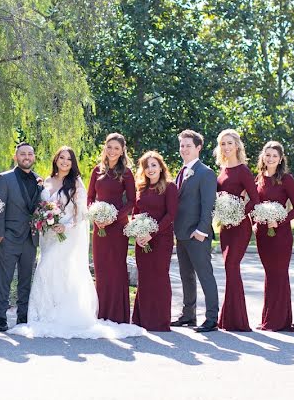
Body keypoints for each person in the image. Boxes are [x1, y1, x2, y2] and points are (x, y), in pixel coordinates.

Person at [9, 147, 143, 339]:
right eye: (61, 158)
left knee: (58, 269)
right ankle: (45, 313)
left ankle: (63, 314)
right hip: (49, 236)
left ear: (72, 164)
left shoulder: (76, 183)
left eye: (69, 159)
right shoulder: (45, 182)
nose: (64, 162)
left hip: (67, 235)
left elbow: (81, 214)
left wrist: (66, 227)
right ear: (56, 160)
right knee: (47, 270)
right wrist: (44, 220)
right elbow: (41, 208)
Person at [171, 129, 220, 333]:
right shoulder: (180, 172)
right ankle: (188, 315)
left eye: (188, 146)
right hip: (181, 233)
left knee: (204, 275)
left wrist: (201, 230)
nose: (184, 149)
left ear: (198, 148)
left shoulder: (206, 173)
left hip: (197, 234)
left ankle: (211, 318)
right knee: (186, 276)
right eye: (182, 146)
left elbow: (209, 204)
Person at [87, 133, 136, 323]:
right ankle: (101, 312)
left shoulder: (126, 173)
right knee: (101, 269)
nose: (112, 151)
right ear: (105, 148)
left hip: (117, 227)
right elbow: (90, 198)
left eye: (117, 148)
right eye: (109, 147)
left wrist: (113, 217)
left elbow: (132, 201)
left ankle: (118, 314)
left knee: (116, 268)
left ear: (122, 150)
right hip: (99, 227)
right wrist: (96, 216)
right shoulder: (96, 170)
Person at [0, 142, 42, 332]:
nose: (26, 157)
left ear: (34, 157)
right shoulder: (5, 179)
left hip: (31, 238)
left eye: (30, 153)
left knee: (25, 279)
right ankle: (1, 317)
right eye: (23, 154)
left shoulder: (39, 180)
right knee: (4, 278)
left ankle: (23, 316)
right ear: (16, 157)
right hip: (9, 236)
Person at [253, 141, 294, 332]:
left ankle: (280, 321)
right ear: (263, 157)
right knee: (269, 275)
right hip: (263, 234)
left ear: (280, 159)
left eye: (275, 156)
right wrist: (255, 220)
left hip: (280, 234)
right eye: (268, 155)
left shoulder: (286, 180)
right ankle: (268, 318)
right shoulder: (259, 178)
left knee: (279, 274)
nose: (270, 158)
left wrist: (280, 220)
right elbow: (254, 204)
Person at [214, 129, 259, 332]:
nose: (226, 147)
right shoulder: (222, 170)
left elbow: (255, 199)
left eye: (229, 143)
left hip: (240, 226)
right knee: (229, 269)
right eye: (223, 143)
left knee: (232, 266)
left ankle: (239, 321)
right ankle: (228, 318)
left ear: (237, 146)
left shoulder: (243, 170)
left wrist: (240, 212)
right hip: (225, 227)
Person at [131, 151, 178, 332]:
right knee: (144, 277)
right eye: (146, 166)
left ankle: (159, 321)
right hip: (142, 240)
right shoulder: (141, 188)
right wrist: (138, 233)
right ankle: (142, 319)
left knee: (159, 278)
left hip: (161, 239)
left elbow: (171, 215)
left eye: (153, 165)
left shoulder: (169, 187)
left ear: (160, 167)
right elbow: (136, 213)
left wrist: (152, 233)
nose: (150, 169)